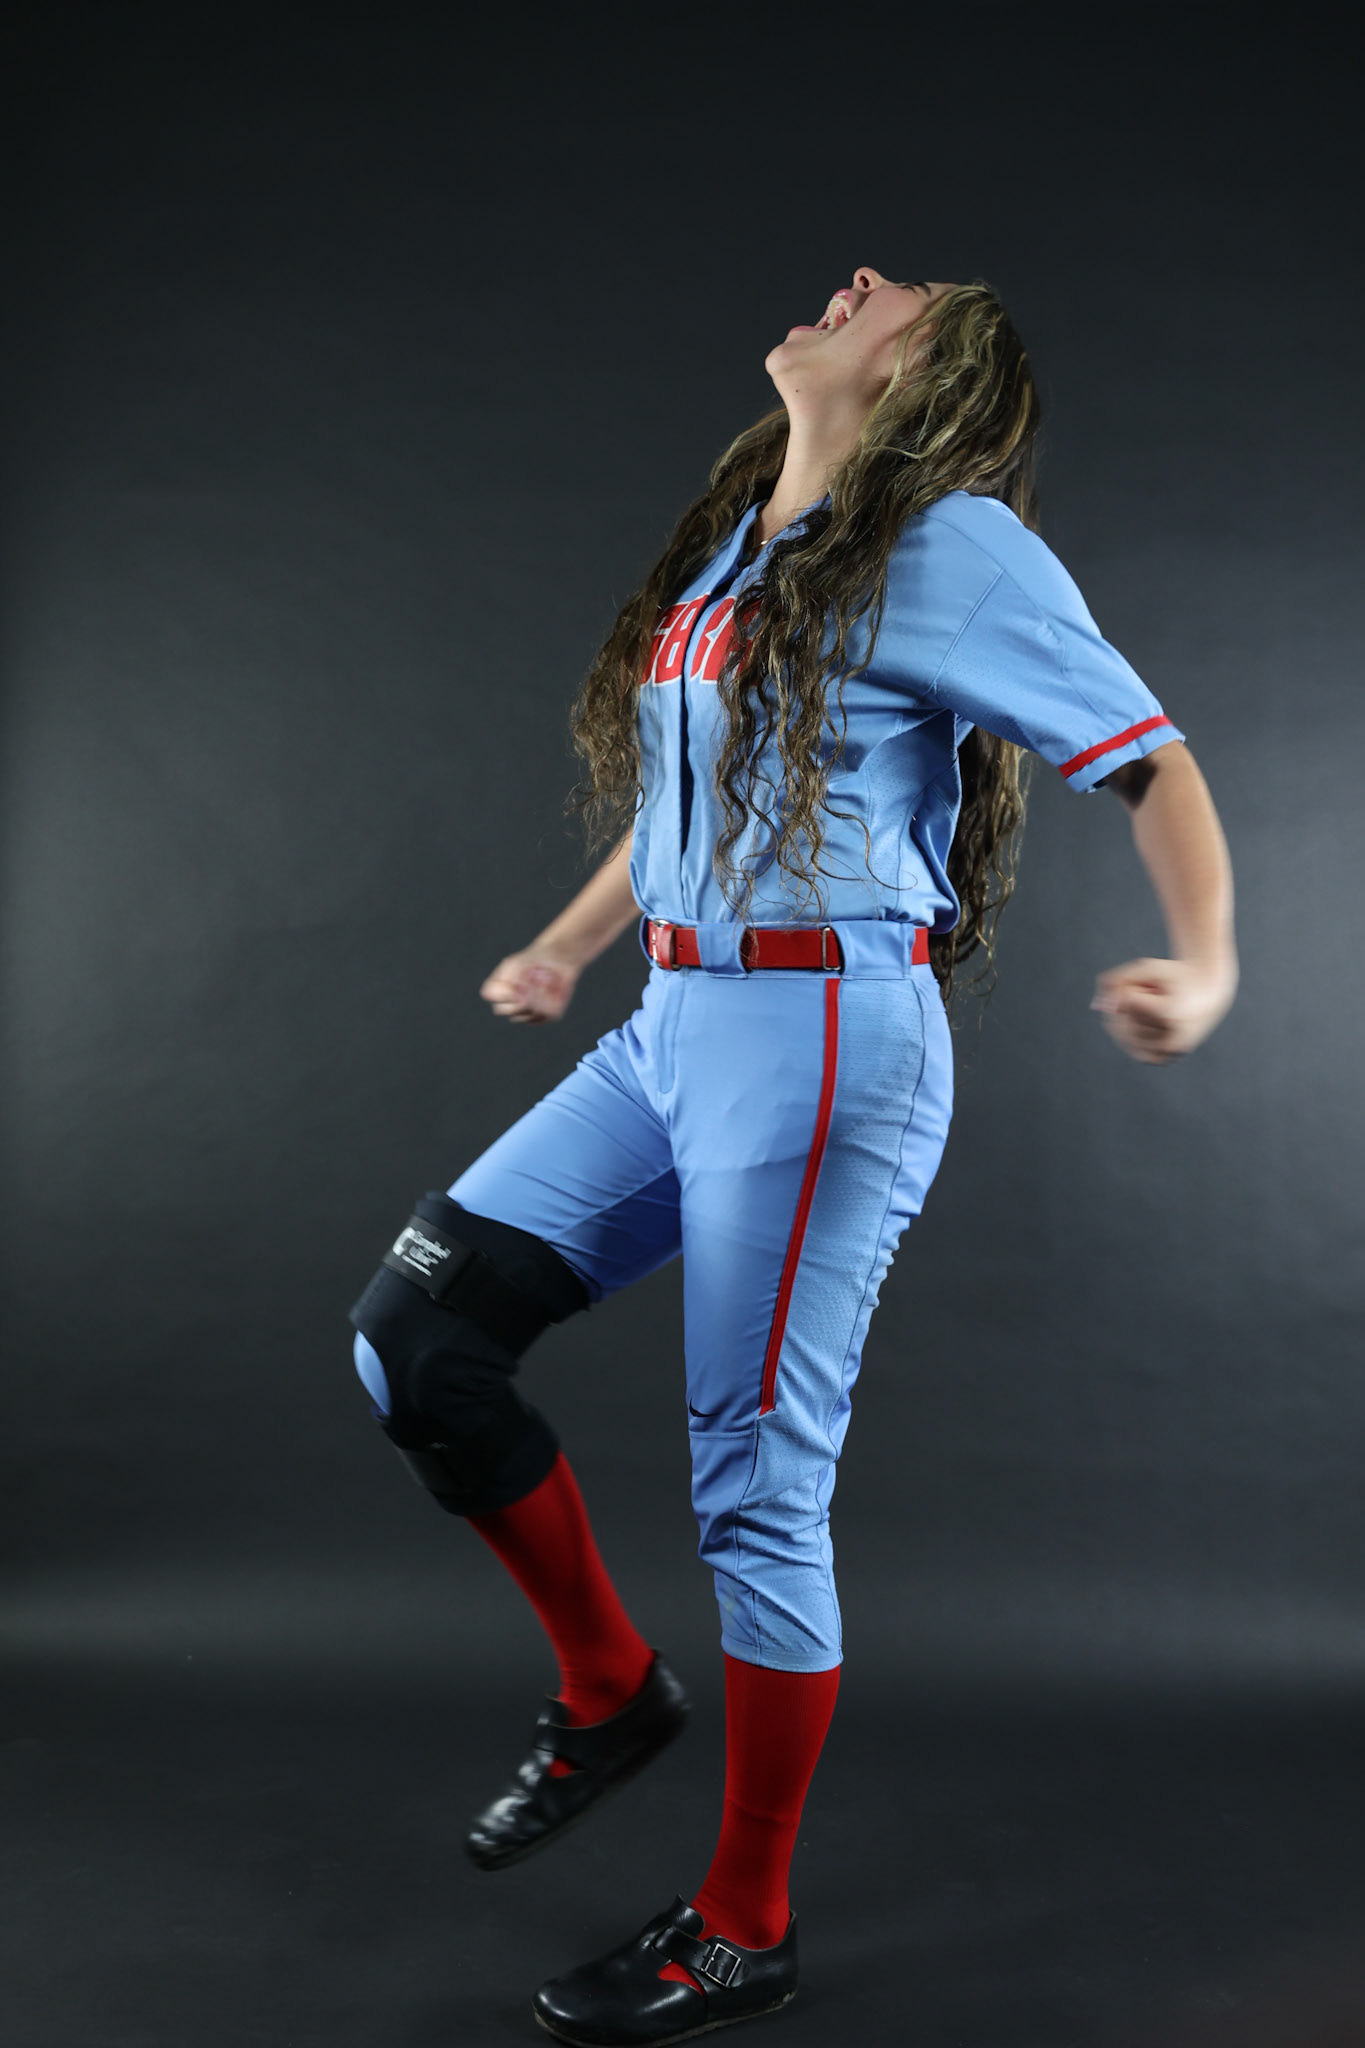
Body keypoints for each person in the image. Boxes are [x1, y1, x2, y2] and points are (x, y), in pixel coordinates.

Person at [347, 267, 1239, 2044]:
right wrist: (575, 940)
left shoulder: (960, 546)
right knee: (416, 1341)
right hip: (672, 1025)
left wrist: (1205, 968)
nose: (852, 281)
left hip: (825, 1039)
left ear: (927, 362)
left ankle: (741, 1925)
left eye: (889, 288)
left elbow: (1153, 770)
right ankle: (608, 1689)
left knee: (757, 1487)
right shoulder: (751, 542)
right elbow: (707, 780)